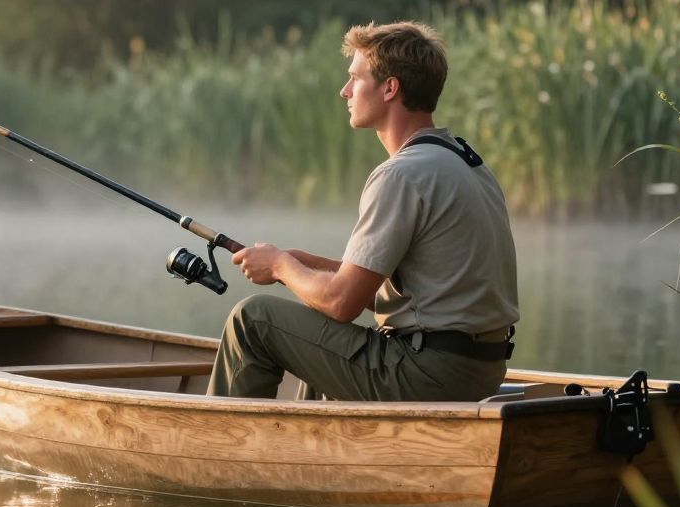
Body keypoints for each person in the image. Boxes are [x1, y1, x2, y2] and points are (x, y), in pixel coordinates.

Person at [207, 21, 519, 402]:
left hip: (430, 373)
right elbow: (422, 297)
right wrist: (306, 265)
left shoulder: (400, 175)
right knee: (320, 330)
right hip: (479, 369)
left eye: (355, 78)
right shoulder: (465, 163)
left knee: (252, 320)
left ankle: (230, 455)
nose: (345, 91)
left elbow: (342, 304)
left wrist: (279, 266)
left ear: (390, 88)